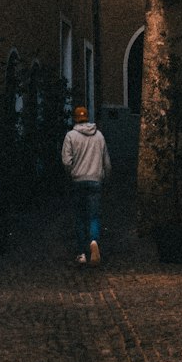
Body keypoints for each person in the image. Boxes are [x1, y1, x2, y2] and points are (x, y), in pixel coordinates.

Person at [62, 104, 111, 266]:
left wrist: (72, 172)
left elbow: (66, 161)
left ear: (75, 119)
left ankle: (81, 253)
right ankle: (94, 242)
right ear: (87, 118)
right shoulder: (99, 136)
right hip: (95, 180)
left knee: (80, 217)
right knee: (94, 216)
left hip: (78, 180)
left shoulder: (71, 136)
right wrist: (104, 177)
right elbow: (106, 162)